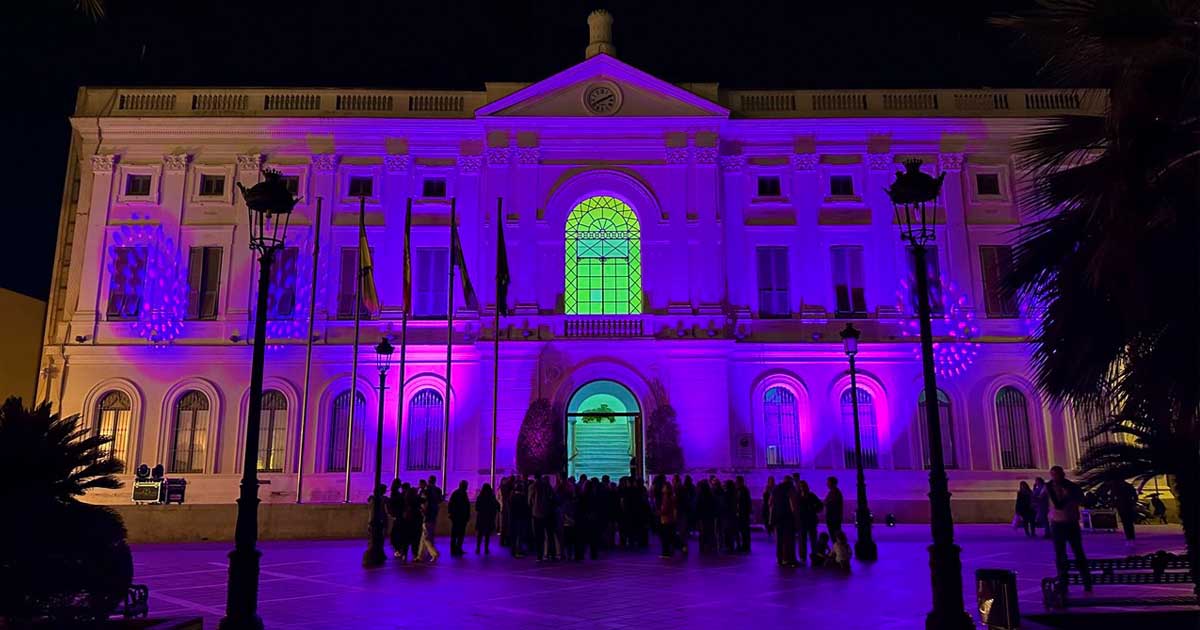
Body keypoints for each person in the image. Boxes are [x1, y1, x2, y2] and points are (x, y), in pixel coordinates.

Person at [1047, 465, 1093, 593]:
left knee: (1078, 551)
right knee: (1060, 553)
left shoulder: (1072, 487)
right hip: (1057, 523)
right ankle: (1063, 581)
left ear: (1063, 474)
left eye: (1058, 474)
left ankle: (1086, 580)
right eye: (1054, 475)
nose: (1056, 477)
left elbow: (1080, 499)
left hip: (1071, 522)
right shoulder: (1049, 487)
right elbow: (1056, 504)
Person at [793, 479, 824, 565]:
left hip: (811, 520)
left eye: (803, 486)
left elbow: (820, 505)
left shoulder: (811, 495)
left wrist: (813, 509)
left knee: (813, 539)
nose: (802, 488)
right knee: (802, 540)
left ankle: (814, 555)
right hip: (802, 521)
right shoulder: (798, 496)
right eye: (801, 486)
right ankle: (803, 557)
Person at [771, 476, 797, 567]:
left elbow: (771, 503)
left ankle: (780, 559)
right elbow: (793, 504)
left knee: (780, 540)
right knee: (789, 539)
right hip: (788, 517)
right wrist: (795, 517)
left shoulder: (776, 489)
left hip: (778, 517)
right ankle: (789, 559)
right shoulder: (790, 489)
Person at [475, 482, 500, 554]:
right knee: (487, 535)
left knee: (480, 534)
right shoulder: (492, 497)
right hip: (489, 518)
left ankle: (478, 548)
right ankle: (486, 549)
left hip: (481, 518)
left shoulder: (480, 497)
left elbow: (477, 507)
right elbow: (497, 506)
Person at [448, 480, 471, 557]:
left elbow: (450, 504)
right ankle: (458, 548)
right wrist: (467, 516)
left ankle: (453, 549)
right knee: (461, 534)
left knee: (454, 534)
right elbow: (467, 507)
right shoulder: (464, 494)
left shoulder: (455, 493)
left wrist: (451, 513)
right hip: (462, 517)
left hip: (455, 517)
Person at [387, 479, 407, 561]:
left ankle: (398, 549)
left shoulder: (394, 493)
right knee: (398, 532)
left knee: (396, 532)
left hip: (397, 515)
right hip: (399, 515)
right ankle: (398, 548)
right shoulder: (397, 494)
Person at [658, 482, 678, 558]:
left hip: (666, 519)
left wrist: (658, 512)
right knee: (670, 536)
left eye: (664, 487)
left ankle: (666, 553)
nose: (662, 488)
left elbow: (665, 510)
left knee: (665, 537)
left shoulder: (666, 498)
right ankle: (680, 546)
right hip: (670, 519)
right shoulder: (672, 497)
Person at [735, 475, 752, 552]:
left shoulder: (743, 490)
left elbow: (747, 502)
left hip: (743, 513)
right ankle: (744, 545)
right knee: (743, 530)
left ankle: (745, 545)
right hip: (742, 513)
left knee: (744, 530)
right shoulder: (742, 490)